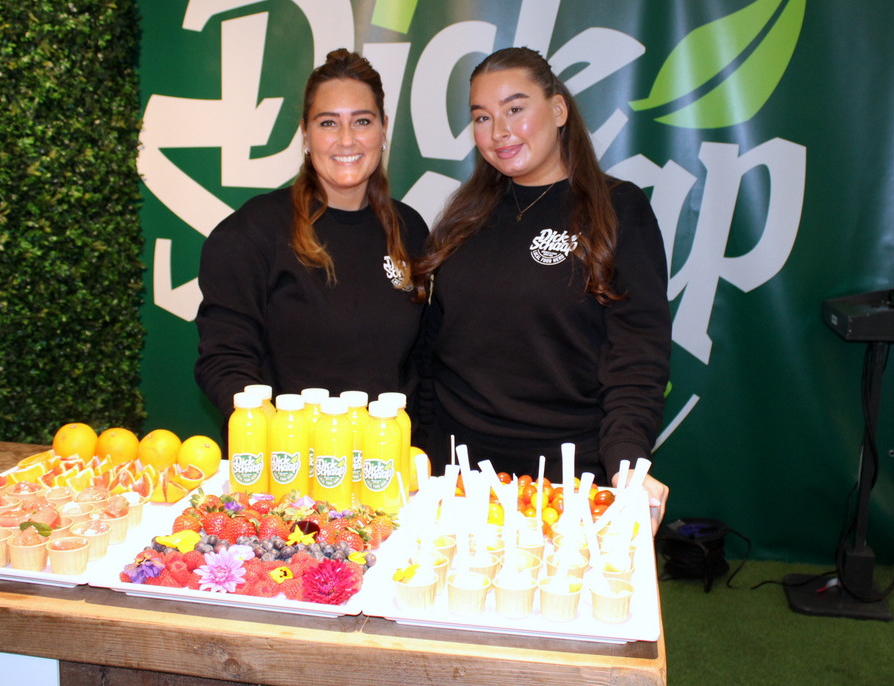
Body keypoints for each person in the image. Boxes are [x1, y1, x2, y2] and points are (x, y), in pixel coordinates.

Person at [414, 46, 671, 529]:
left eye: (515, 109)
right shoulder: (463, 217)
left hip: (567, 478)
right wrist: (420, 451)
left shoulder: (618, 209)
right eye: (482, 117)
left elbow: (637, 354)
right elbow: (432, 349)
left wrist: (626, 463)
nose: (499, 131)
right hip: (460, 474)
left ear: (558, 110)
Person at [194, 49, 428, 419]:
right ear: (306, 133)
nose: (347, 140)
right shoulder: (253, 231)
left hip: (387, 451)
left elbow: (422, 364)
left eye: (362, 121)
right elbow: (225, 360)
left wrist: (416, 445)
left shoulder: (409, 228)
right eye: (328, 123)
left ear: (383, 128)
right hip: (286, 451)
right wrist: (270, 435)